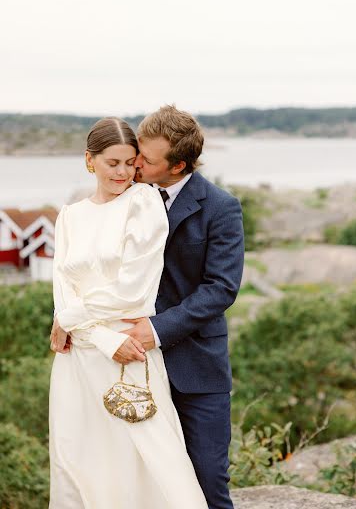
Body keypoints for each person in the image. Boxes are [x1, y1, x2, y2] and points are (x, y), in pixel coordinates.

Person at [49, 117, 207, 509]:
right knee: (79, 458)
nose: (123, 172)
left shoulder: (143, 203)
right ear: (90, 161)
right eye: (112, 163)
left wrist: (68, 320)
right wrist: (99, 337)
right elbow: (62, 289)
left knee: (148, 461)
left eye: (130, 162)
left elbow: (132, 289)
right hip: (82, 357)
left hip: (130, 350)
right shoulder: (69, 215)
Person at [122, 105, 245, 509]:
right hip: (130, 365)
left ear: (177, 166)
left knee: (208, 483)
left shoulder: (221, 207)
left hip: (197, 370)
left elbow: (221, 289)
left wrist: (156, 330)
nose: (134, 163)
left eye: (147, 159)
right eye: (138, 151)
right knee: (141, 484)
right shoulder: (126, 198)